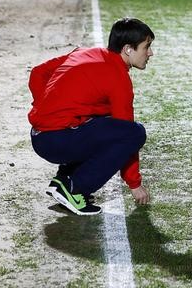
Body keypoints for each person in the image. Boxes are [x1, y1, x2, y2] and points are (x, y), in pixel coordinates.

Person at [28, 17, 154, 215]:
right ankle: (75, 189)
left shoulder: (86, 52)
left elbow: (38, 73)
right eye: (146, 47)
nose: (150, 53)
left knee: (99, 120)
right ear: (128, 49)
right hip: (56, 140)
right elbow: (126, 134)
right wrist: (134, 184)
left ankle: (64, 178)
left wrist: (43, 107)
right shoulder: (119, 80)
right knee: (134, 133)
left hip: (40, 135)